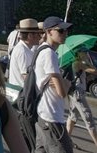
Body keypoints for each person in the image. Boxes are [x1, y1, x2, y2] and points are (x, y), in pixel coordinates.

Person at [34, 16, 74, 153]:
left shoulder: (42, 49)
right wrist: (66, 84)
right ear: (49, 32)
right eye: (61, 31)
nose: (65, 34)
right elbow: (62, 92)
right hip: (51, 117)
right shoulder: (49, 54)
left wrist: (61, 83)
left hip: (43, 114)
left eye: (66, 30)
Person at [65, 51, 97, 149]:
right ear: (79, 54)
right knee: (89, 119)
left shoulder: (78, 62)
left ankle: (66, 141)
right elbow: (95, 71)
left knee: (72, 117)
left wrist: (86, 61)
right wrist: (87, 61)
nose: (86, 54)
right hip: (78, 94)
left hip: (75, 93)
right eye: (84, 53)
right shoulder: (78, 63)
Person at [8, 18, 42, 88]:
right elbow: (27, 77)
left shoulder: (24, 49)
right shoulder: (22, 51)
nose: (40, 36)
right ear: (30, 36)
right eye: (37, 33)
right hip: (21, 93)